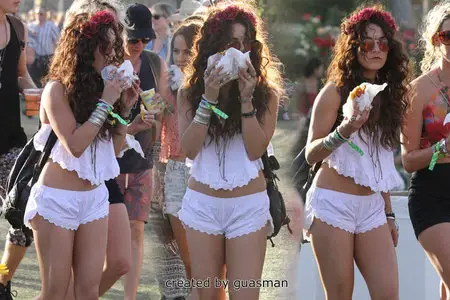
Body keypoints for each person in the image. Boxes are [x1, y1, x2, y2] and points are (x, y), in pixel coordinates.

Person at [23, 10, 138, 299]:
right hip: (57, 201)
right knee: (56, 292)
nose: (113, 54)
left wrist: (123, 109)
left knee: (88, 291)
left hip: (94, 199)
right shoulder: (56, 90)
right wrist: (106, 102)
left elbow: (109, 154)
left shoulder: (104, 89)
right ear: (87, 48)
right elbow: (75, 146)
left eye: (115, 46)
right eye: (106, 46)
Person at [177, 2, 283, 299]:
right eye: (230, 43)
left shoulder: (267, 94)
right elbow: (189, 149)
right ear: (213, 46)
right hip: (202, 205)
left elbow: (254, 150)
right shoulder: (188, 92)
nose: (239, 50)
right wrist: (208, 99)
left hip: (247, 205)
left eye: (244, 42)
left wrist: (247, 100)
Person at [303, 4, 409, 299]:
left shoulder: (390, 96)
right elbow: (311, 154)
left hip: (373, 208)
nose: (376, 49)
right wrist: (345, 130)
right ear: (354, 47)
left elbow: (380, 163)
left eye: (382, 43)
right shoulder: (335, 92)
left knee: (388, 294)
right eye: (367, 42)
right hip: (333, 205)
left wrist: (388, 214)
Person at [115, 4, 172, 299]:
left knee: (137, 230)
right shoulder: (109, 63)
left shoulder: (153, 63)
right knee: (105, 235)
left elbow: (162, 108)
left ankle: (130, 297)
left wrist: (156, 114)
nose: (139, 45)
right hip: (107, 162)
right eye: (133, 39)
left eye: (144, 40)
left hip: (142, 160)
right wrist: (130, 125)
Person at [401, 2, 450, 299]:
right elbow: (407, 160)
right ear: (436, 40)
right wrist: (443, 147)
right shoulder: (419, 90)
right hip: (432, 195)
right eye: (448, 36)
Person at [160, 20, 203, 300]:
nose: (181, 58)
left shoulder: (212, 86)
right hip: (174, 170)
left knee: (209, 264)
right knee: (189, 261)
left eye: (188, 51)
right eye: (176, 51)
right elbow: (155, 121)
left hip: (203, 172)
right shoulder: (168, 82)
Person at [0, 0, 38, 297]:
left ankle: (2, 280)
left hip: (10, 139)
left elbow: (21, 73)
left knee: (23, 216)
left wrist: (39, 93)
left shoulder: (16, 26)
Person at [27, 7, 60, 88]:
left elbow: (57, 41)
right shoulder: (30, 26)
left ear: (45, 15)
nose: (39, 16)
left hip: (48, 57)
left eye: (41, 14)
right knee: (35, 80)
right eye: (37, 14)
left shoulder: (51, 25)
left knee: (48, 80)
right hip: (36, 58)